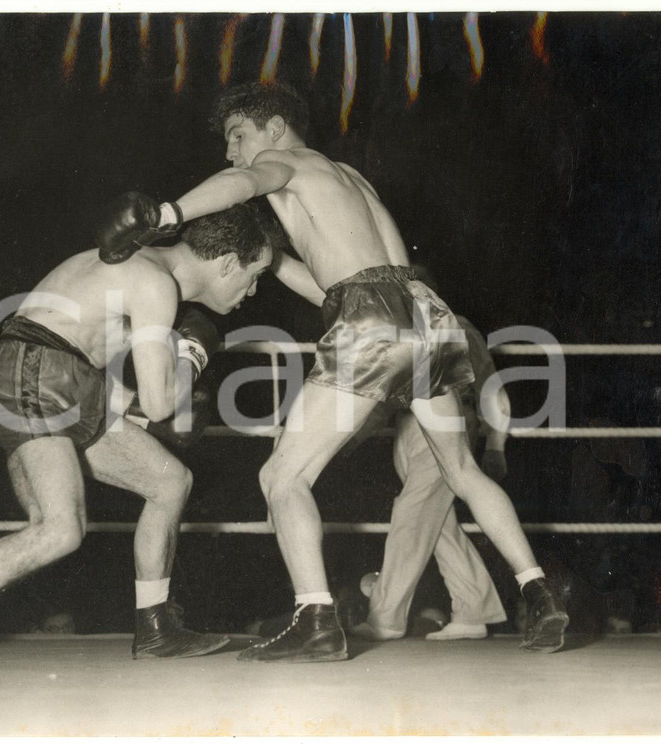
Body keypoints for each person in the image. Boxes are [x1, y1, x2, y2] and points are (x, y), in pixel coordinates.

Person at [106, 81, 567, 661]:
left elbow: (242, 184)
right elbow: (339, 282)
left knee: (281, 477)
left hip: (372, 316)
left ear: (274, 129)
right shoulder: (350, 180)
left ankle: (315, 615)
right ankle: (537, 591)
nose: (232, 152)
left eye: (238, 136)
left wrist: (167, 214)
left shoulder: (283, 160)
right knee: (461, 469)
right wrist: (271, 260)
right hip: (427, 312)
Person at [0, 201, 274, 670]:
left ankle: (156, 627)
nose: (253, 290)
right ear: (227, 262)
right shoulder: (155, 283)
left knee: (169, 481)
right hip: (35, 371)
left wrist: (148, 403)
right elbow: (164, 403)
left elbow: (123, 390)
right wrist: (192, 356)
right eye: (255, 274)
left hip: (64, 378)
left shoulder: (141, 270)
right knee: (60, 529)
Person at [351, 310, 511, 642]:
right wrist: (348, 439)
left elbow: (491, 389)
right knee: (435, 523)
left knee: (412, 514)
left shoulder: (458, 327)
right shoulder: (395, 327)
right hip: (407, 429)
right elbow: (382, 395)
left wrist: (496, 445)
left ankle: (386, 617)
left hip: (445, 427)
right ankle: (473, 610)